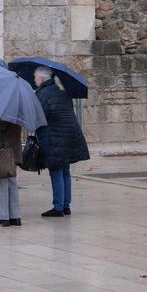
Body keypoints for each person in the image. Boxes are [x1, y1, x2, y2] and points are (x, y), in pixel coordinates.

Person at [34, 66, 90, 217]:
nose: (34, 81)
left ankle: (58, 207)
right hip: (69, 135)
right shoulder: (62, 90)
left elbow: (40, 116)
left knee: (56, 171)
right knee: (65, 171)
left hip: (54, 137)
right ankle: (66, 205)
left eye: (35, 78)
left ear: (40, 79)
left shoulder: (43, 93)